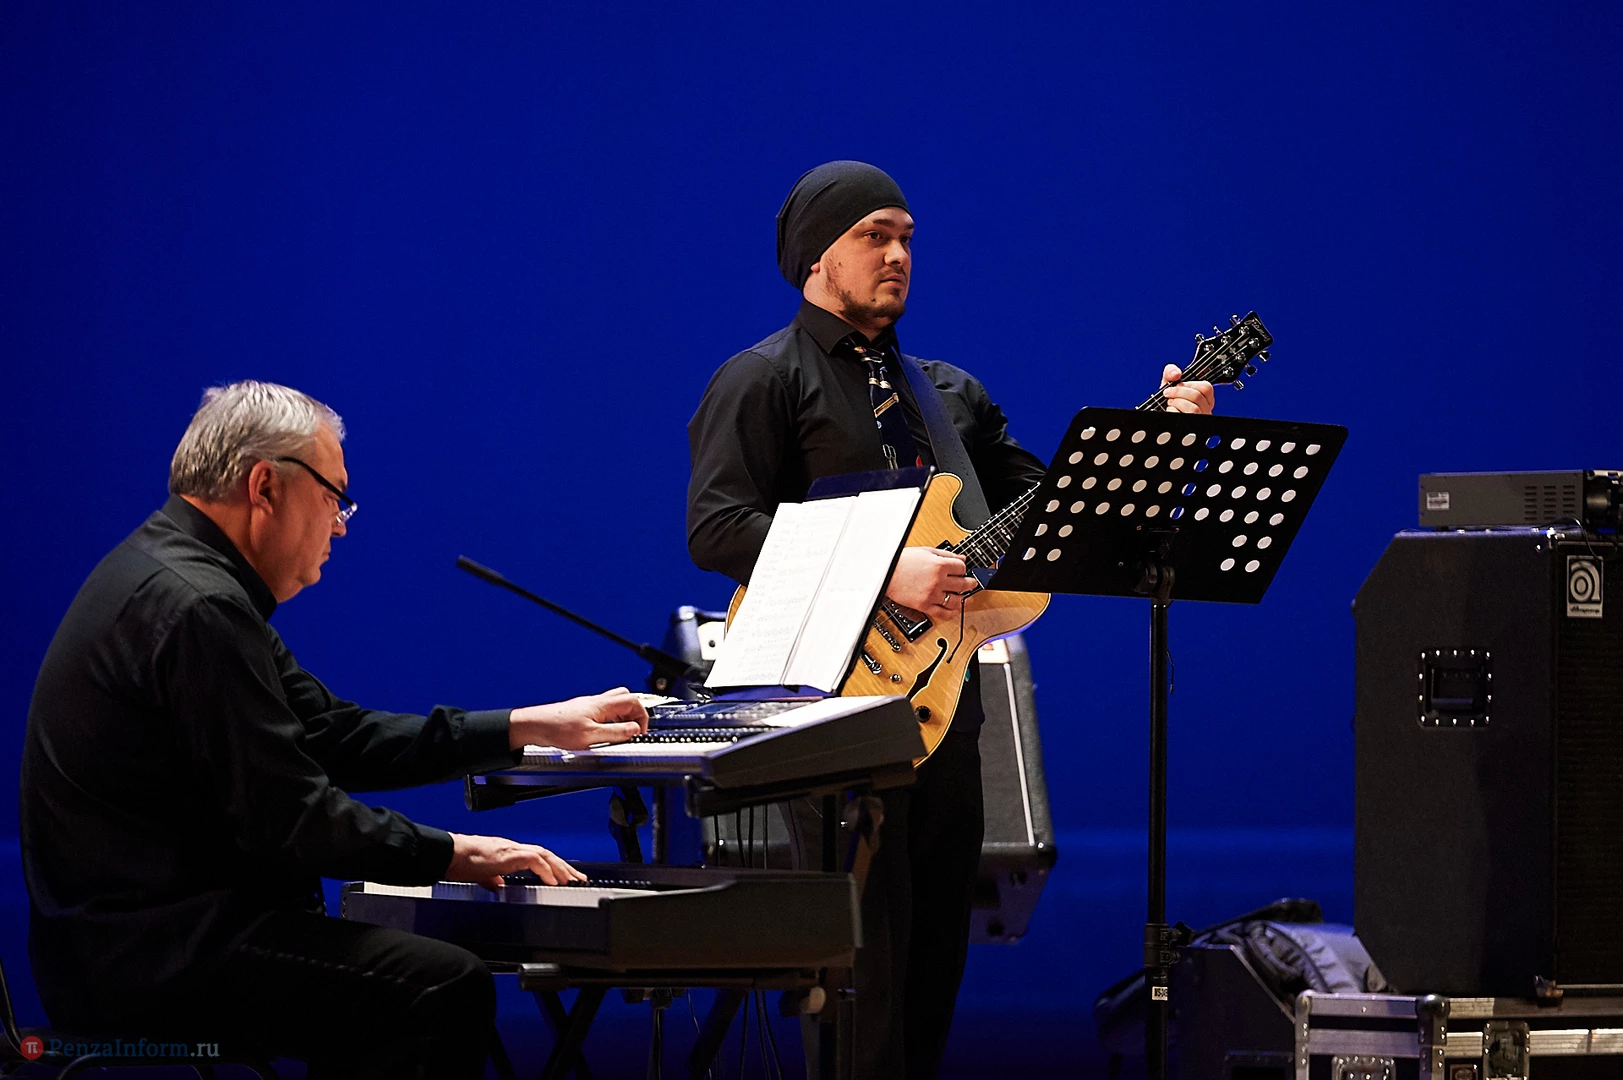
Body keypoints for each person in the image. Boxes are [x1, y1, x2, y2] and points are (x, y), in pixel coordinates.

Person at [685, 161, 1214, 1078]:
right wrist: (884, 570)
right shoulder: (762, 378)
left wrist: (1160, 444)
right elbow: (718, 528)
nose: (896, 255)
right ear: (815, 255)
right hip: (827, 712)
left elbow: (1056, 519)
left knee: (931, 973)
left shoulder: (949, 392)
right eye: (873, 236)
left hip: (943, 711)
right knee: (862, 983)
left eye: (905, 238)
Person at [19, 380, 649, 1078]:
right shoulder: (199, 607)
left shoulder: (181, 576)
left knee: (397, 969)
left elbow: (334, 735)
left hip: (131, 943)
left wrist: (528, 727)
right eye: (333, 496)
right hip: (146, 960)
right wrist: (456, 853)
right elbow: (293, 820)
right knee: (437, 987)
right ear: (265, 486)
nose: (342, 525)